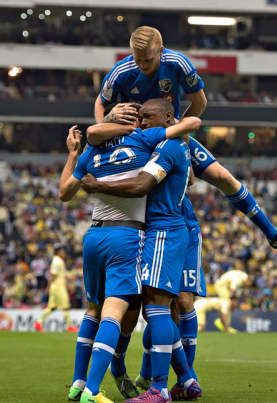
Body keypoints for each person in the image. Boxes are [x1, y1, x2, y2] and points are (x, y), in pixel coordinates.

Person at [93, 26, 277, 256]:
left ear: (161, 51)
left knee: (224, 177)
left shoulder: (178, 64)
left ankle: (273, 234)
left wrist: (178, 126)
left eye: (148, 60)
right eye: (137, 59)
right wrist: (108, 126)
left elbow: (200, 103)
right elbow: (101, 102)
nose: (142, 65)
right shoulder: (122, 71)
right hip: (136, 138)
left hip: (169, 133)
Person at [59, 102, 201, 403]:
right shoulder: (145, 140)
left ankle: (78, 382)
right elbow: (190, 125)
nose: (143, 123)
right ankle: (94, 391)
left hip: (93, 235)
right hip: (128, 234)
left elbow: (64, 193)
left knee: (94, 310)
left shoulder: (93, 151)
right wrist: (150, 129)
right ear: (132, 122)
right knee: (136, 309)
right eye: (140, 119)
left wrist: (75, 153)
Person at [33, 246, 77, 332]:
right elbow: (52, 276)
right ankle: (69, 326)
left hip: (57, 287)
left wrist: (69, 275)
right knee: (66, 307)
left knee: (51, 307)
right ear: (58, 252)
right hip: (58, 287)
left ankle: (38, 323)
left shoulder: (59, 261)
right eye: (62, 251)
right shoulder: (56, 261)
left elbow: (61, 274)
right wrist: (48, 287)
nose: (64, 253)